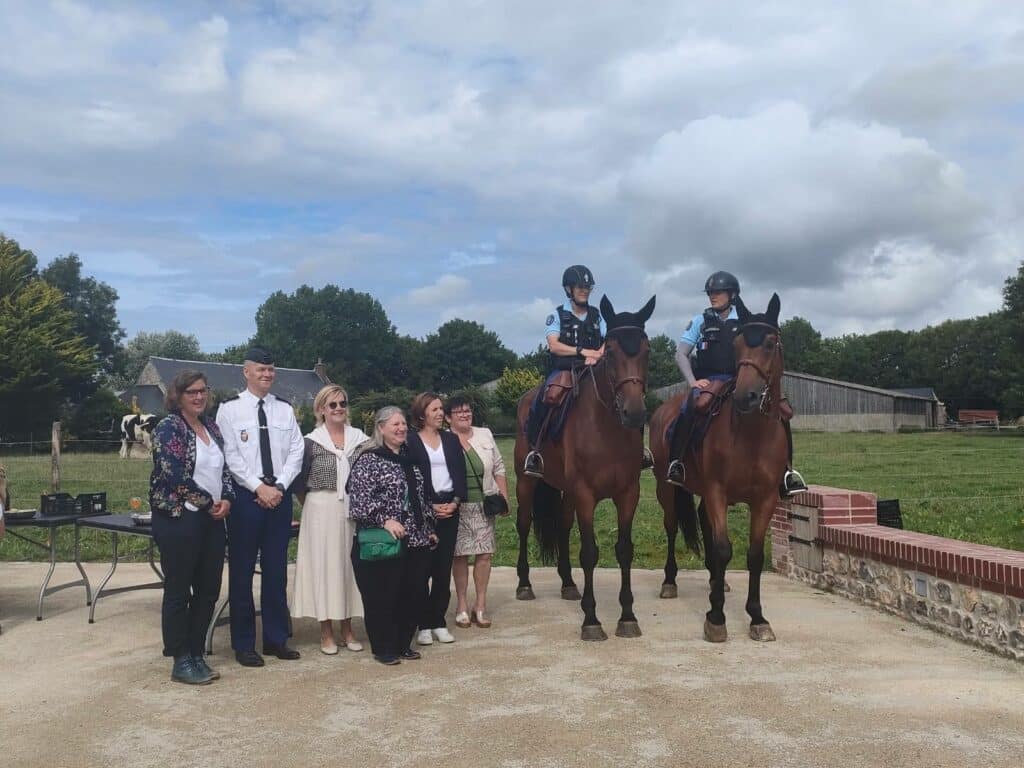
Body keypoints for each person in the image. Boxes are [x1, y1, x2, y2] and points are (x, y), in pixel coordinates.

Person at [667, 271, 807, 495]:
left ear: (732, 295)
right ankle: (677, 463)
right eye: (710, 292)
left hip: (740, 378)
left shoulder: (743, 320)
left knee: (780, 409)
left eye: (718, 292)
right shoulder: (699, 321)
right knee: (688, 408)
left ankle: (787, 473)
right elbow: (681, 354)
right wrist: (693, 382)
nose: (713, 296)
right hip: (709, 380)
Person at [216, 347, 305, 667]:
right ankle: (243, 644)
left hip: (278, 498)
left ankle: (276, 639)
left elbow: (296, 451)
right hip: (246, 500)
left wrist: (279, 486)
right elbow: (230, 457)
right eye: (260, 369)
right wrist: (259, 487)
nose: (267, 374)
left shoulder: (284, 409)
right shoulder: (229, 410)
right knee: (241, 573)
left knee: (276, 571)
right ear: (246, 372)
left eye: (271, 369)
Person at [524, 264, 653, 477]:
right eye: (580, 287)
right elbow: (554, 345)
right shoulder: (557, 315)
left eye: (587, 287)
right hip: (566, 369)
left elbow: (609, 340)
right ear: (569, 290)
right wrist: (583, 351)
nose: (584, 291)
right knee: (547, 395)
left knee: (630, 394)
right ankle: (535, 452)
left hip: (595, 367)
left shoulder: (597, 315)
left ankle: (640, 450)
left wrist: (598, 354)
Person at [149, 370, 235, 685]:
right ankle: (179, 657)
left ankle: (197, 652)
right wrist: (206, 502)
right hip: (178, 517)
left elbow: (225, 470)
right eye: (191, 392)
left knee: (209, 588)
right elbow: (173, 475)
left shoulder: (212, 427)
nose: (199, 397)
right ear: (178, 396)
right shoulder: (168, 427)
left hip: (211, 518)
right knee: (178, 588)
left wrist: (226, 498)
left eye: (202, 391)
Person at [348, 406, 437, 665]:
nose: (401, 429)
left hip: (416, 539)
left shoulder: (410, 457)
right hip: (383, 540)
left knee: (413, 593)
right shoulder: (368, 459)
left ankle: (402, 643)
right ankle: (384, 647)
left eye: (403, 424)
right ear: (380, 428)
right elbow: (359, 503)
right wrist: (385, 520)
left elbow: (421, 497)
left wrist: (429, 529)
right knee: (382, 596)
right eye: (394, 424)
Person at [292, 384, 369, 655]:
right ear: (321, 409)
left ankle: (348, 629)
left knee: (348, 567)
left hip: (352, 512)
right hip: (320, 509)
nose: (338, 409)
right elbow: (299, 482)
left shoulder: (361, 440)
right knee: (324, 569)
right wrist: (313, 506)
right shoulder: (310, 442)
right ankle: (326, 631)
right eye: (332, 405)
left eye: (342, 403)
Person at [405, 392, 467, 646]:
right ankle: (423, 624)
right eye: (435, 410)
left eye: (441, 409)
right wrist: (429, 507)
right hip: (423, 513)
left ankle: (439, 620)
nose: (441, 413)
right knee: (421, 571)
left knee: (442, 570)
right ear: (422, 414)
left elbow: (460, 476)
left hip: (449, 510)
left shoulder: (451, 440)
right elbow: (408, 479)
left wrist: (454, 503)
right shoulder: (410, 441)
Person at [446, 395, 508, 629]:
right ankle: (461, 604)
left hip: (484, 505)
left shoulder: (485, 434)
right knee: (459, 556)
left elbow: (499, 466)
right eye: (459, 411)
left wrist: (504, 497)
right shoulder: (444, 439)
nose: (465, 414)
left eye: (468, 410)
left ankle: (480, 605)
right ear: (449, 417)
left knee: (484, 555)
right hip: (457, 506)